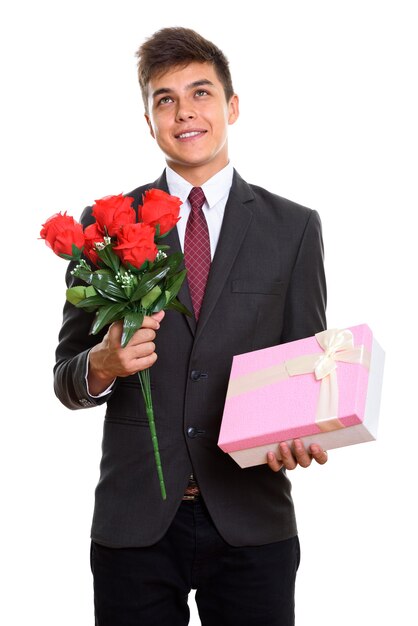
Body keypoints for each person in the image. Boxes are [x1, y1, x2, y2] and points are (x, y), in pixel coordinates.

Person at [54, 26, 328, 626]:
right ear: (148, 119)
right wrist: (100, 366)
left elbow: (310, 369)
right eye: (164, 99)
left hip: (252, 520)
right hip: (136, 522)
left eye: (200, 93)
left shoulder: (294, 228)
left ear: (231, 106)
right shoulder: (103, 226)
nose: (184, 112)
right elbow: (66, 377)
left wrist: (305, 430)